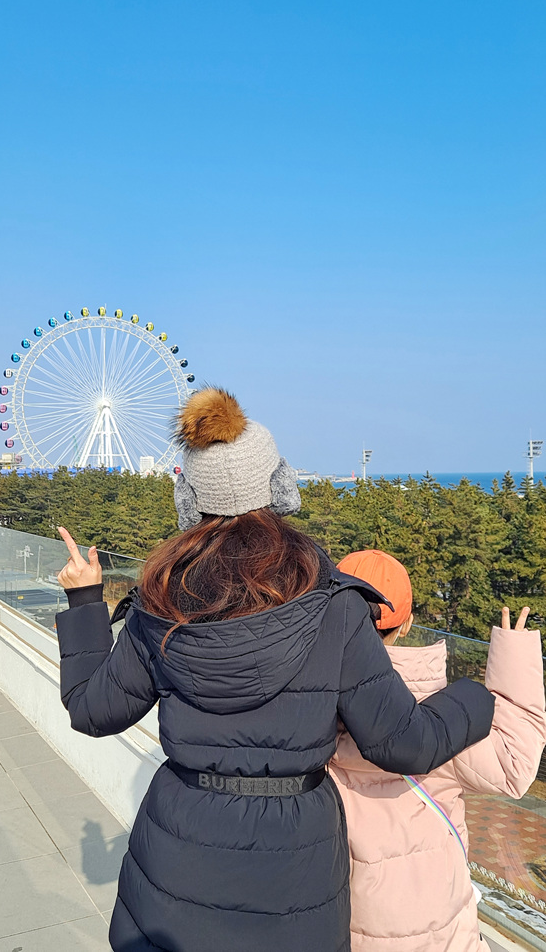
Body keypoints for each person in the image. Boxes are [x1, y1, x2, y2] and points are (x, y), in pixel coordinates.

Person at [55, 388, 495, 952]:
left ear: (189, 499)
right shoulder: (331, 602)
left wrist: (86, 601)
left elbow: (92, 710)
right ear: (279, 488)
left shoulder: (157, 603)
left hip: (178, 847)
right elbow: (402, 744)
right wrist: (475, 698)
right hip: (297, 865)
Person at [330, 549, 546, 952]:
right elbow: (514, 766)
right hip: (435, 928)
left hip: (338, 921)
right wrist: (514, 653)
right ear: (408, 624)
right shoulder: (436, 710)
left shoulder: (305, 702)